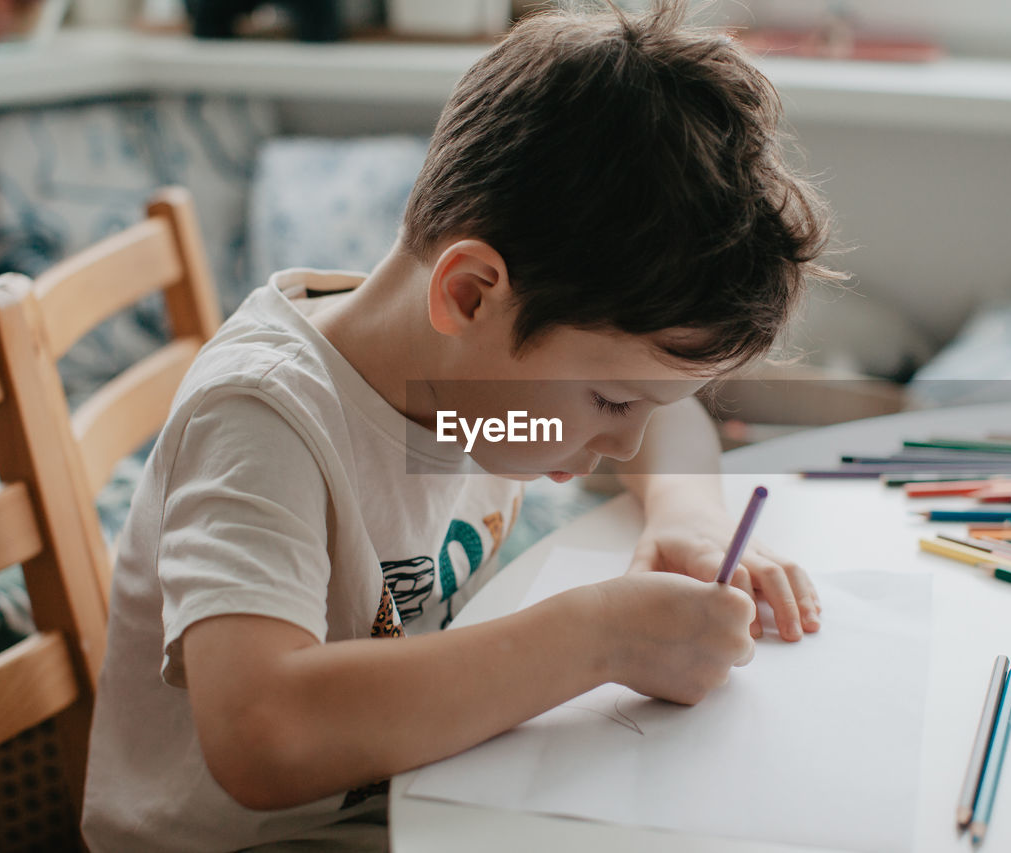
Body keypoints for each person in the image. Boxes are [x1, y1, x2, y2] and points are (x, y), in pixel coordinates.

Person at [82, 1, 841, 849]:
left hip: (423, 797)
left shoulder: (471, 367)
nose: (623, 440)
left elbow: (664, 424)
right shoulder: (264, 416)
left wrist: (687, 518)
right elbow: (264, 733)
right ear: (470, 292)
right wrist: (600, 636)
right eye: (612, 404)